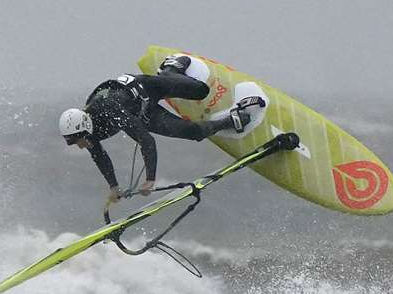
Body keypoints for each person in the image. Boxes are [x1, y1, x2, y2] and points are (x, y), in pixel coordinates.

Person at [59, 54, 265, 208]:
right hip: (142, 114)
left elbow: (147, 141)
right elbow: (100, 158)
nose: (79, 145)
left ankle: (171, 70)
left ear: (84, 127)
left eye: (77, 140)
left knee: (201, 91)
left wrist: (150, 179)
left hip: (147, 88)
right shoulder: (89, 131)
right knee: (193, 133)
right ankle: (232, 119)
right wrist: (113, 186)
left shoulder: (111, 111)